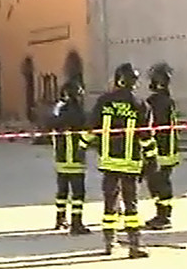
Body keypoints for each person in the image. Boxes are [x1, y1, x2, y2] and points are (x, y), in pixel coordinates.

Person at [80, 63, 158, 259]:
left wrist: (81, 147)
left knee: (109, 203)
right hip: (131, 162)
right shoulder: (141, 105)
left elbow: (91, 128)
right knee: (131, 205)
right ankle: (135, 245)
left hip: (108, 162)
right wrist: (151, 158)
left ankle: (109, 243)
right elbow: (146, 136)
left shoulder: (104, 102)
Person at [48, 78, 91, 235]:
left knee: (62, 190)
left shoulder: (59, 109)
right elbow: (88, 128)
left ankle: (60, 218)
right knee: (78, 193)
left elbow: (50, 123)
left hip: (60, 156)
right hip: (76, 156)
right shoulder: (79, 111)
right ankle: (76, 222)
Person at [143, 63, 180, 231]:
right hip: (170, 148)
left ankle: (163, 216)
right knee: (161, 181)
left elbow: (150, 126)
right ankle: (163, 214)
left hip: (159, 149)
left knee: (157, 182)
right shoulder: (168, 100)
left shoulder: (155, 102)